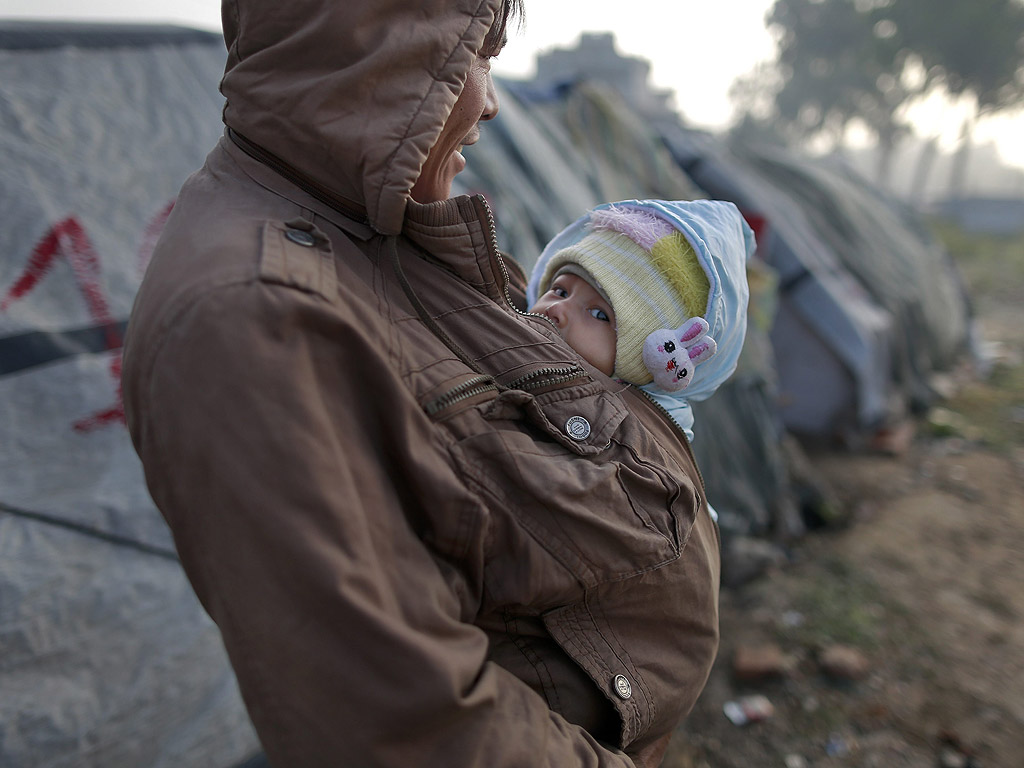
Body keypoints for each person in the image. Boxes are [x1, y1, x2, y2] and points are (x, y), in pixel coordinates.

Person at [122, 2, 721, 766]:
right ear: (375, 50)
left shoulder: (378, 229)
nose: (491, 101)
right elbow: (411, 724)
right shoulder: (253, 312)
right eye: (473, 53)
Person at [527, 199, 754, 446]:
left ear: (644, 360)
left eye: (599, 314)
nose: (557, 309)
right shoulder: (500, 316)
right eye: (560, 291)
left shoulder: (632, 449)